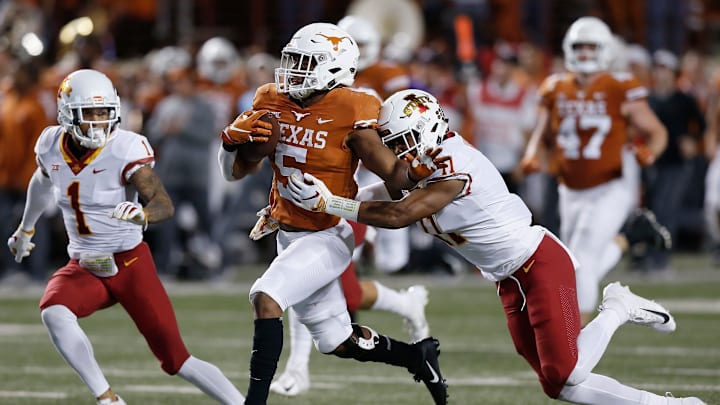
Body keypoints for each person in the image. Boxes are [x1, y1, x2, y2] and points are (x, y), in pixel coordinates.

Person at [285, 88, 707, 405]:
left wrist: (334, 202)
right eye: (393, 144)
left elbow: (399, 215)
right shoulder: (426, 159)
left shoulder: (455, 165)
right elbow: (388, 192)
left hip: (537, 262)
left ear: (427, 130)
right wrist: (326, 200)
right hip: (508, 280)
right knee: (559, 387)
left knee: (569, 371)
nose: (396, 152)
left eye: (401, 142)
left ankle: (617, 306)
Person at [216, 22, 447, 405]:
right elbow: (234, 173)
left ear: (334, 68)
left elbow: (392, 175)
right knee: (337, 341)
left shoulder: (354, 107)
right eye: (291, 60)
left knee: (266, 296)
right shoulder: (270, 98)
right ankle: (416, 357)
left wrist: (417, 176)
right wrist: (228, 145)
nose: (292, 70)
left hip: (329, 231)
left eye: (304, 62)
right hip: (286, 233)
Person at [6, 69, 245, 405]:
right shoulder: (50, 145)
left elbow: (163, 202)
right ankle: (108, 398)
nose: (98, 122)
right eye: (89, 113)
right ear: (66, 112)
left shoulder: (124, 147)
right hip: (85, 264)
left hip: (130, 263)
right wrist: (26, 227)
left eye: (104, 112)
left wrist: (144, 213)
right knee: (53, 311)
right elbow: (42, 181)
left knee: (177, 360)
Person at [268, 15, 428, 397]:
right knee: (333, 290)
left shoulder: (375, 89)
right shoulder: (307, 92)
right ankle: (406, 305)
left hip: (351, 195)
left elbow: (393, 145)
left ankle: (299, 367)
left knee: (308, 283)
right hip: (320, 195)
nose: (301, 70)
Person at [519, 16, 669, 324]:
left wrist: (650, 153)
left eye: (591, 46)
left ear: (605, 49)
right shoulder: (555, 87)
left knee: (580, 260)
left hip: (609, 185)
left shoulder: (619, 86)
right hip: (569, 188)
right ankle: (628, 238)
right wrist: (532, 154)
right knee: (575, 261)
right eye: (579, 46)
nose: (585, 53)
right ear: (568, 48)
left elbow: (657, 132)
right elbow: (542, 132)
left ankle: (578, 329)